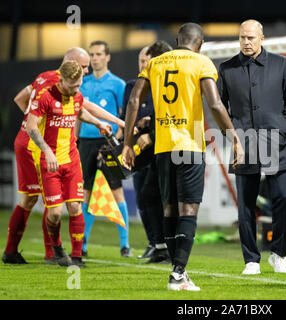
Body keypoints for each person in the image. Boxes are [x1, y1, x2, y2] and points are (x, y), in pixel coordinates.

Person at [121, 23, 244, 291]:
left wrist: (127, 144)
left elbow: (133, 101)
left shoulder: (155, 63)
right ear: (199, 43)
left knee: (169, 209)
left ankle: (179, 273)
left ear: (178, 40)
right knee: (189, 209)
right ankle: (178, 274)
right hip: (189, 146)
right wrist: (235, 138)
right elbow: (214, 103)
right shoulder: (201, 62)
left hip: (163, 146)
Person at [2, 47, 125, 265]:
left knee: (59, 204)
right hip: (33, 146)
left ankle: (53, 254)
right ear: (69, 62)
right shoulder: (51, 88)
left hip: (52, 148)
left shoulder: (49, 78)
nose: (86, 71)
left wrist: (110, 122)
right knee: (31, 199)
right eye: (84, 65)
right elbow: (26, 105)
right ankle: (21, 251)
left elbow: (21, 98)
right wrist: (35, 126)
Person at [217, 19, 286, 275]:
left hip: (278, 142)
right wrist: (233, 136)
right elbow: (220, 108)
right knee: (245, 204)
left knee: (284, 197)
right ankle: (251, 260)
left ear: (262, 38)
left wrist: (285, 128)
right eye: (242, 37)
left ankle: (279, 254)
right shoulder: (227, 68)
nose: (246, 42)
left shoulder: (281, 64)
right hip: (244, 144)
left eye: (251, 38)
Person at [26, 60, 111, 267]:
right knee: (55, 214)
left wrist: (99, 122)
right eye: (72, 86)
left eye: (79, 85)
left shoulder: (77, 96)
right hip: (50, 162)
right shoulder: (45, 97)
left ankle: (76, 257)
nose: (76, 89)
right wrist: (47, 149)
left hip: (72, 161)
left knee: (75, 206)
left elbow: (79, 111)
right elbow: (31, 126)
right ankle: (56, 247)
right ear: (62, 80)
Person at [119, 41, 172, 263]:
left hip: (166, 148)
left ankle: (168, 246)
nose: (144, 64)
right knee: (146, 197)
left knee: (164, 198)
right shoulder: (134, 85)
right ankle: (158, 244)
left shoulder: (165, 83)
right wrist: (128, 142)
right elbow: (127, 114)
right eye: (141, 60)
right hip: (145, 150)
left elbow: (172, 116)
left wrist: (150, 130)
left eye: (147, 60)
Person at [78, 40, 131, 257]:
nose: (94, 58)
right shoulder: (82, 83)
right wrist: (74, 141)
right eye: (92, 54)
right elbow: (77, 116)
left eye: (99, 54)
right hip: (85, 143)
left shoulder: (118, 84)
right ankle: (81, 244)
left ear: (108, 57)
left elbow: (121, 116)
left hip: (107, 143)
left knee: (116, 191)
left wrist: (113, 143)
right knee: (86, 193)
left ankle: (125, 244)